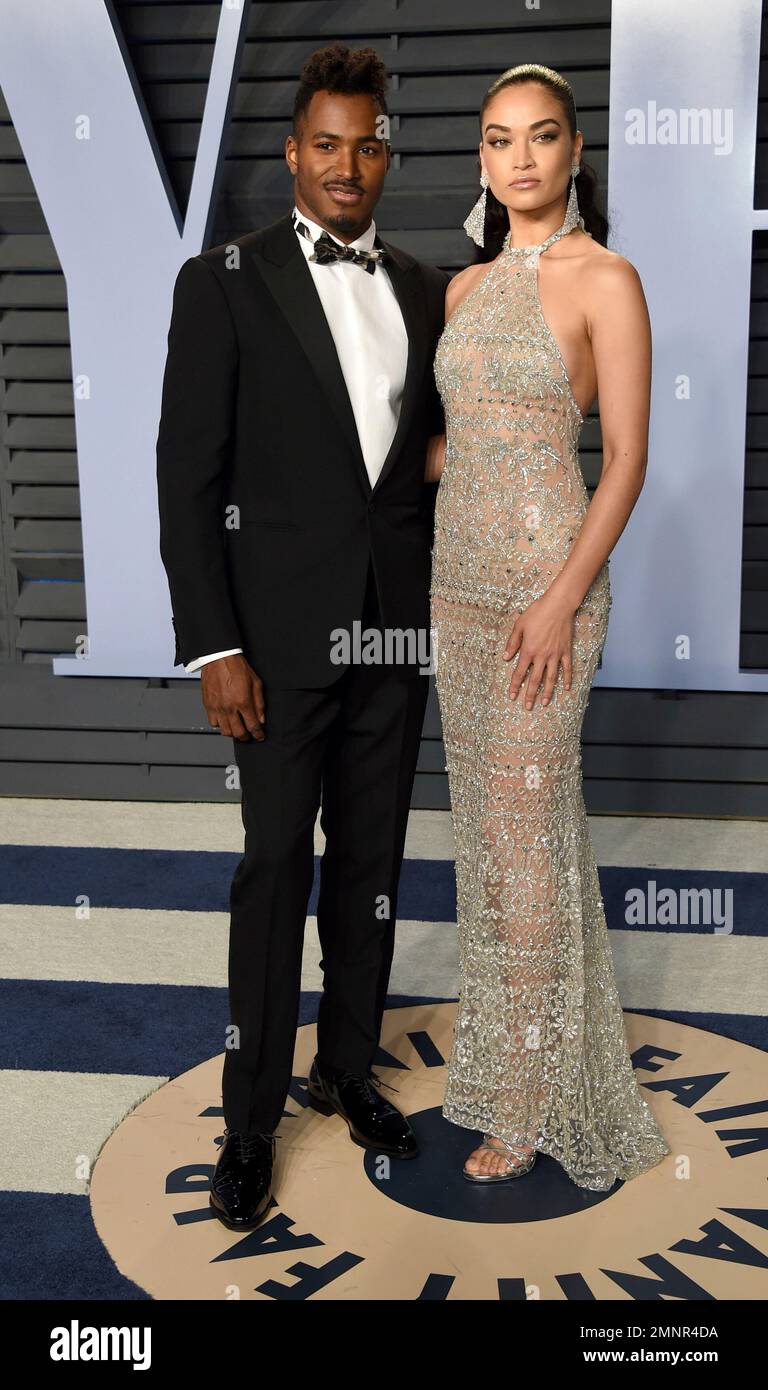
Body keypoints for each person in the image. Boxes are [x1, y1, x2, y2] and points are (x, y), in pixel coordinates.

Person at [156, 43, 448, 1229]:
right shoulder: (223, 279)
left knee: (372, 867)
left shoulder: (426, 286)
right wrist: (213, 645)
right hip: (272, 647)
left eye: (367, 144)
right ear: (293, 153)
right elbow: (187, 477)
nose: (347, 164)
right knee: (276, 869)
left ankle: (343, 1067)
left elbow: (413, 461)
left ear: (387, 154)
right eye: (326, 145)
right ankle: (251, 1116)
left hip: (394, 636)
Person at [425, 63, 671, 1189]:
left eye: (541, 137)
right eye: (496, 140)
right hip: (456, 592)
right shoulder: (463, 292)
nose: (518, 158)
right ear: (481, 160)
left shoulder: (606, 279)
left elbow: (624, 461)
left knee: (526, 846)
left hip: (547, 592)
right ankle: (523, 1061)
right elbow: (457, 446)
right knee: (495, 842)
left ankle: (532, 1103)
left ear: (575, 153)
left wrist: (563, 596)